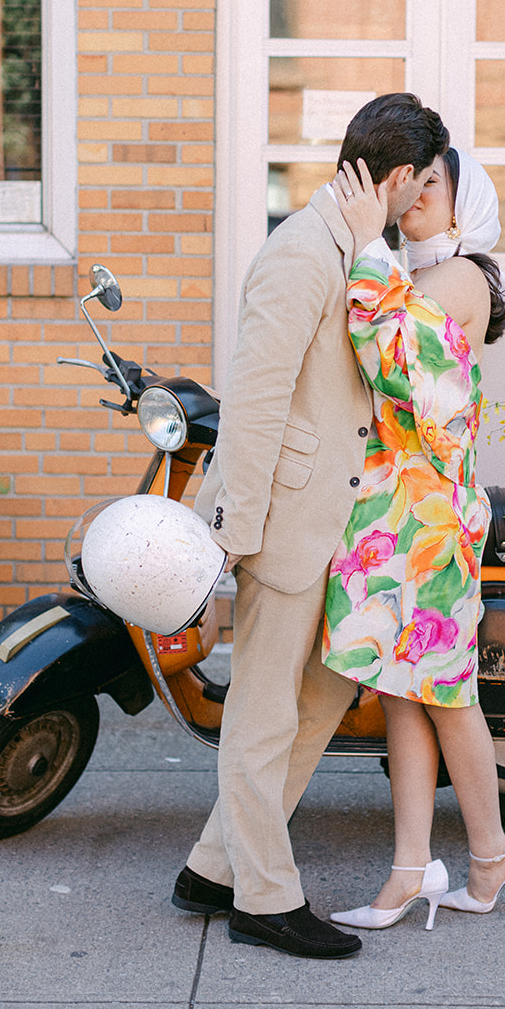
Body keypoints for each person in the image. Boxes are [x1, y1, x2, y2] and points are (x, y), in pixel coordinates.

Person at [171, 93, 449, 961]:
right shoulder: (300, 254)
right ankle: (263, 898)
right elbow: (252, 403)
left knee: (323, 694)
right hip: (286, 519)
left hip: (345, 517)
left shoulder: (355, 249)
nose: (420, 205)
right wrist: (231, 540)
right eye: (420, 188)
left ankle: (213, 867)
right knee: (260, 717)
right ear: (397, 177)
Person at [323, 147, 505, 930]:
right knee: (402, 695)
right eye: (405, 181)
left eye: (429, 183)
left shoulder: (461, 276)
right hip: (393, 508)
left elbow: (397, 365)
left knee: (445, 695)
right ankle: (412, 870)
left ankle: (490, 854)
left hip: (429, 518)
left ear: (460, 201)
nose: (411, 193)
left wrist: (362, 238)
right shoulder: (416, 273)